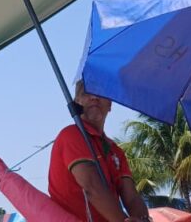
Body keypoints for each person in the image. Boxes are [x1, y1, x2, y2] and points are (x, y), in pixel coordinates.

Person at [49, 80, 150, 222]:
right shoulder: (71, 135)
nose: (94, 97)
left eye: (100, 93)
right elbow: (92, 187)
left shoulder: (116, 151)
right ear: (77, 102)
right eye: (86, 93)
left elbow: (131, 197)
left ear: (110, 104)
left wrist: (143, 219)